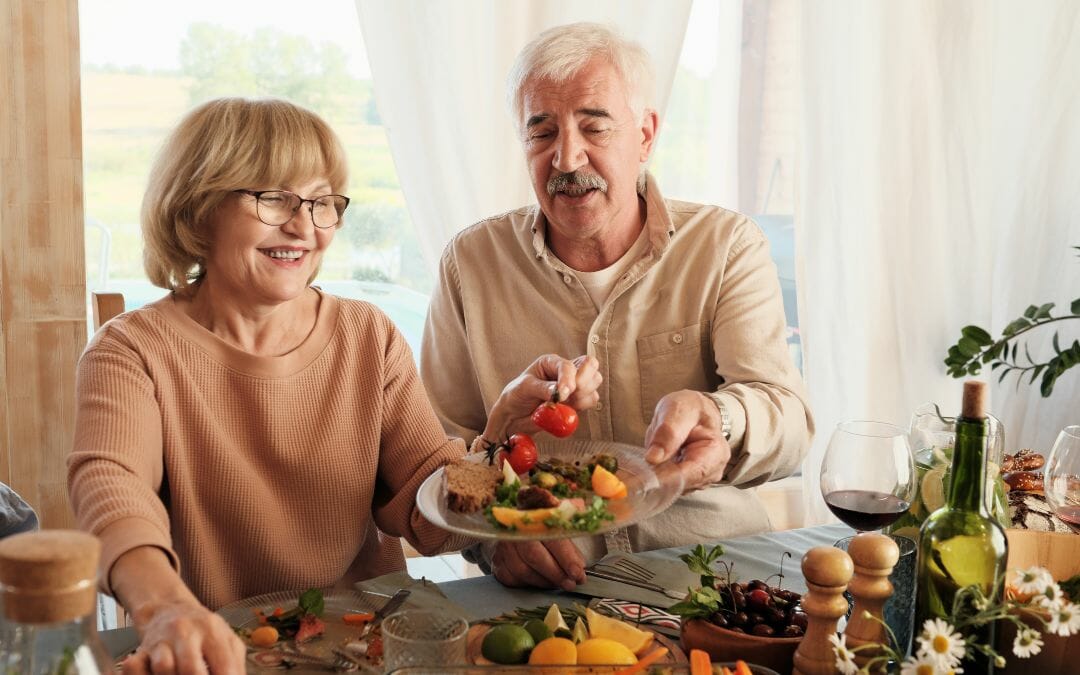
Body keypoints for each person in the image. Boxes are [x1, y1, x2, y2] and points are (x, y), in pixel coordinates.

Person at [67, 97, 598, 675]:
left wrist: (498, 435)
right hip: (216, 647)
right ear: (197, 209)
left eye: (322, 203)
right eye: (273, 198)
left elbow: (426, 510)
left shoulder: (367, 334)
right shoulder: (133, 350)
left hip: (367, 640)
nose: (303, 226)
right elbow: (112, 489)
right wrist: (166, 608)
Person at [421, 22, 814, 591]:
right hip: (547, 589)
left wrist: (720, 418)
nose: (566, 157)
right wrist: (489, 541)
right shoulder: (471, 262)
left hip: (715, 575)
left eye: (594, 126)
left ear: (646, 135)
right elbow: (437, 454)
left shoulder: (725, 246)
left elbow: (790, 422)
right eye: (542, 132)